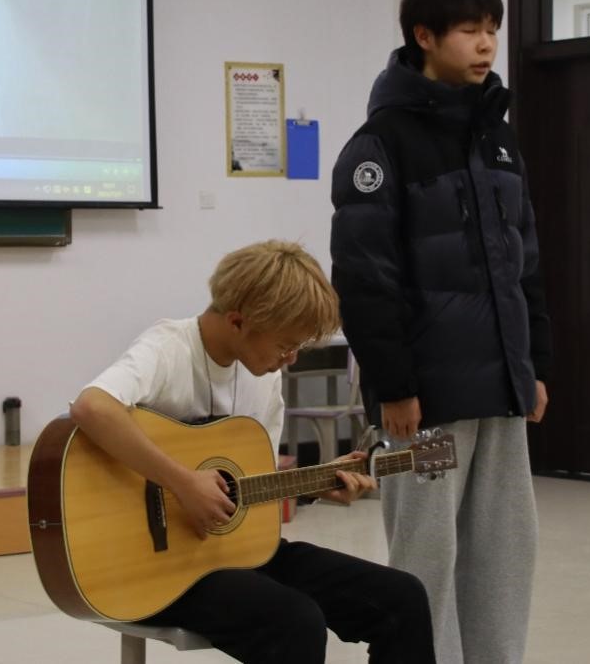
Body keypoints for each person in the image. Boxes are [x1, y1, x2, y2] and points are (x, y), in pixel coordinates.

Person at [68, 240, 436, 664]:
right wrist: (183, 483)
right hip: (152, 569)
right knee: (295, 620)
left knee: (402, 597)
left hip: (234, 553)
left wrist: (311, 486)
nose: (290, 359)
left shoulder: (264, 376)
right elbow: (92, 407)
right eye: (284, 346)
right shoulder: (168, 348)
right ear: (238, 321)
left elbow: (248, 486)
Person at [330, 0, 554, 664]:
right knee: (424, 560)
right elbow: (364, 278)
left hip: (500, 389)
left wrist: (533, 367)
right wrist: (394, 385)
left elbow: (525, 266)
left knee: (504, 555)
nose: (486, 44)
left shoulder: (499, 139)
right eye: (469, 30)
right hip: (423, 400)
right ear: (423, 37)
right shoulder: (379, 144)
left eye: (492, 30)